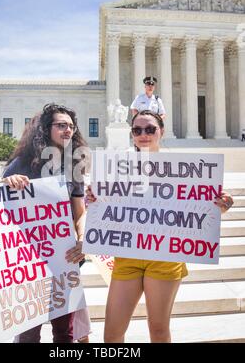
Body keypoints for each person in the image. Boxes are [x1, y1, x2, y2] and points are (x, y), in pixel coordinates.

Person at [86, 110, 234, 343]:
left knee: (158, 328)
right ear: (131, 134)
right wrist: (94, 199)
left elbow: (199, 206)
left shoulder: (186, 169)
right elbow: (105, 207)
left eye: (150, 129)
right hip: (127, 257)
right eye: (137, 130)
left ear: (161, 132)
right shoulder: (116, 168)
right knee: (112, 334)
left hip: (165, 256)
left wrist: (219, 206)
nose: (143, 134)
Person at [1, 103, 89, 343]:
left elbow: (79, 213)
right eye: (61, 125)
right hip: (29, 262)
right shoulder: (23, 163)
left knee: (65, 333)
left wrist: (82, 239)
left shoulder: (74, 167)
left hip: (64, 258)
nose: (68, 130)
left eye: (71, 126)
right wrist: (9, 182)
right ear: (46, 129)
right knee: (29, 333)